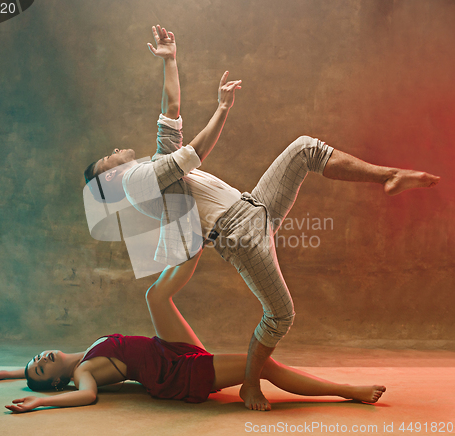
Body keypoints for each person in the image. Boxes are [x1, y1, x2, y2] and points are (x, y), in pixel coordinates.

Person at [83, 25, 440, 411]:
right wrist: (221, 109)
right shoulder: (136, 183)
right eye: (109, 157)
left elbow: (171, 111)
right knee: (280, 315)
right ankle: (250, 385)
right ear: (111, 177)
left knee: (305, 148)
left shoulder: (151, 167)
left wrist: (170, 59)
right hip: (240, 234)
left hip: (253, 205)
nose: (116, 149)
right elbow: (195, 153)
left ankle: (389, 176)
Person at [0, 252, 387, 413]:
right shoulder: (82, 375)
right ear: (54, 382)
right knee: (263, 366)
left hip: (168, 350)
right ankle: (346, 390)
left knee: (155, 295)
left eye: (35, 359)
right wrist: (37, 405)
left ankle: (196, 243)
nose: (38, 361)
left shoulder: (75, 356)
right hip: (174, 375)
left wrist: (5, 373)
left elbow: (28, 372)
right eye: (39, 370)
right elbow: (86, 396)